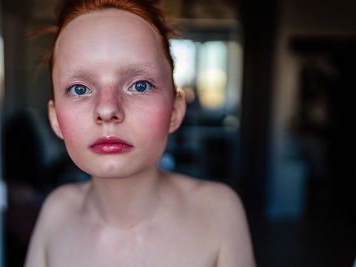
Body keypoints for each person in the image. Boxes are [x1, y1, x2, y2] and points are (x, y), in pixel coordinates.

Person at [24, 0, 256, 266]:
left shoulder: (218, 211)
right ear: (55, 119)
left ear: (175, 111)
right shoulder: (56, 211)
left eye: (140, 85)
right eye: (79, 89)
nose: (107, 109)